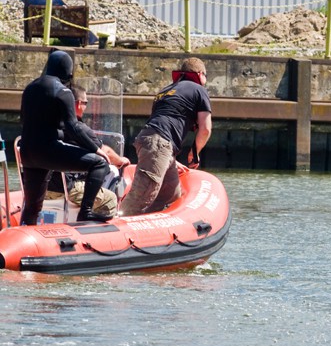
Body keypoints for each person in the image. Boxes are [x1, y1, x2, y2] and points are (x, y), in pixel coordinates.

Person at [19, 50, 111, 224]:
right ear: (68, 71)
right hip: (47, 152)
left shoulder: (30, 88)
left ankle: (26, 232)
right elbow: (73, 127)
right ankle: (86, 212)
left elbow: (24, 120)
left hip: (27, 153)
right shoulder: (63, 91)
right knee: (98, 163)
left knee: (32, 208)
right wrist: (96, 149)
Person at [119, 57, 212, 216]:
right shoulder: (199, 90)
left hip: (152, 140)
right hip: (159, 143)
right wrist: (195, 152)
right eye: (205, 77)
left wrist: (171, 160)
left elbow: (164, 120)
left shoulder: (165, 91)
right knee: (143, 193)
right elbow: (206, 129)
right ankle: (117, 222)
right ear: (200, 74)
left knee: (171, 193)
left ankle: (149, 225)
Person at [45, 85, 130, 215]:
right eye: (85, 103)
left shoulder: (49, 126)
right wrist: (120, 160)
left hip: (43, 185)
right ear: (78, 104)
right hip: (66, 188)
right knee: (110, 199)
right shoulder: (78, 129)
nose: (85, 107)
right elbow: (105, 152)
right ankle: (90, 223)